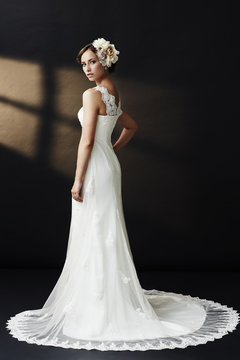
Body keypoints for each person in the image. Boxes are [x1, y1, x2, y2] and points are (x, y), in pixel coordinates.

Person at [6, 37, 239, 352]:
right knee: (104, 230)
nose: (88, 68)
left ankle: (98, 305)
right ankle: (103, 297)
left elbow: (87, 142)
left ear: (105, 60)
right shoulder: (113, 94)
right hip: (109, 169)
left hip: (94, 170)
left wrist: (77, 180)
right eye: (84, 64)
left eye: (92, 61)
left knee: (97, 230)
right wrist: (110, 153)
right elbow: (131, 126)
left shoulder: (92, 95)